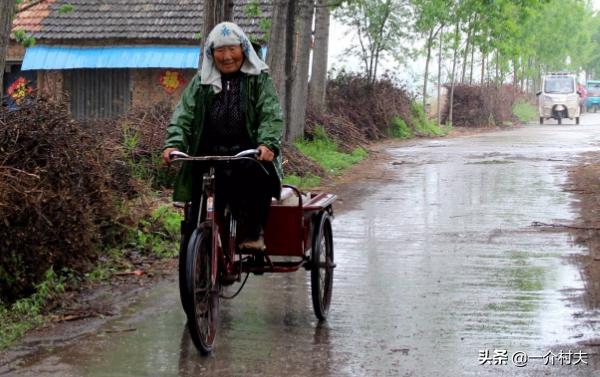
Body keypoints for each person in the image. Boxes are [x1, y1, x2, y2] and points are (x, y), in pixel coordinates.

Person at [162, 22, 284, 250]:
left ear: (243, 49)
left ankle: (255, 234)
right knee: (195, 206)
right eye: (220, 50)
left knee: (258, 178)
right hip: (208, 154)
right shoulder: (201, 82)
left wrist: (267, 144)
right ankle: (194, 245)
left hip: (248, 154)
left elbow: (270, 113)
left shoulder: (258, 78)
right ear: (211, 53)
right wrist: (173, 143)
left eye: (232, 49)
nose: (227, 56)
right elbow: (183, 114)